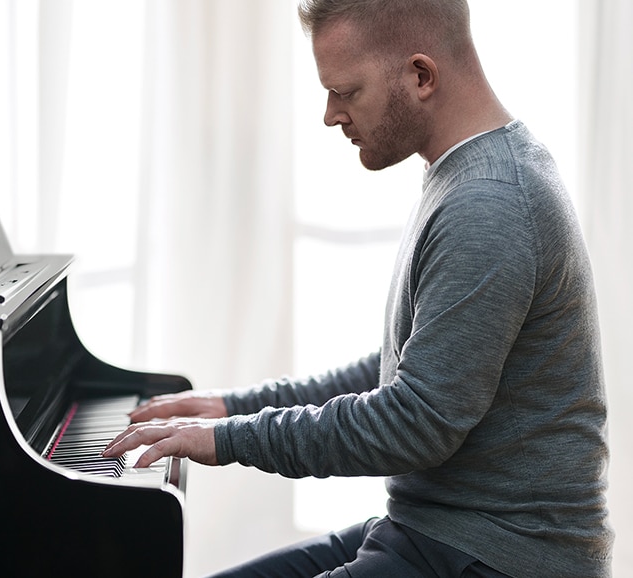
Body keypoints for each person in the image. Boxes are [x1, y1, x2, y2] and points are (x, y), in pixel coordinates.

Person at [103, 0, 614, 575]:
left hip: (498, 557)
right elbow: (405, 369)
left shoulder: (489, 202)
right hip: (438, 533)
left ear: (421, 76)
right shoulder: (467, 175)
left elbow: (412, 422)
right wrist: (231, 407)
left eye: (345, 91)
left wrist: (227, 438)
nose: (330, 114)